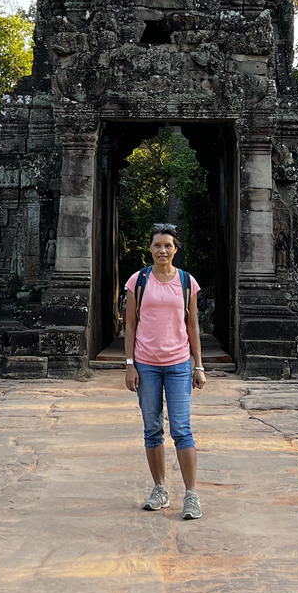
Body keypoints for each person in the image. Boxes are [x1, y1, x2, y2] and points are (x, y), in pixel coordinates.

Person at [123, 222, 206, 520]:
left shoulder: (186, 282)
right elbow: (130, 324)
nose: (162, 250)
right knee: (152, 429)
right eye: (157, 245)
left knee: (182, 430)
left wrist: (199, 365)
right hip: (145, 363)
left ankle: (191, 494)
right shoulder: (138, 281)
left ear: (175, 249)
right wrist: (129, 364)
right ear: (150, 248)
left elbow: (192, 325)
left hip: (179, 363)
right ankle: (159, 489)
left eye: (168, 245)